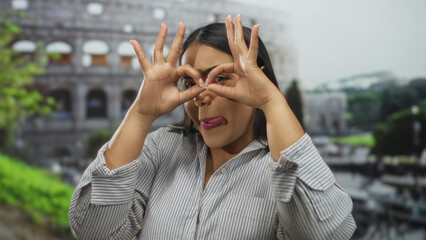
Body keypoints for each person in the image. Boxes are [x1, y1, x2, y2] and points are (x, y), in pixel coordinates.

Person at [69, 15, 356, 239]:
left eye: (220, 78)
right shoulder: (162, 148)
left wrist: (271, 100)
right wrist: (141, 112)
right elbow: (93, 231)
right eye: (190, 82)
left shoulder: (278, 167)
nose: (201, 96)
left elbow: (326, 233)